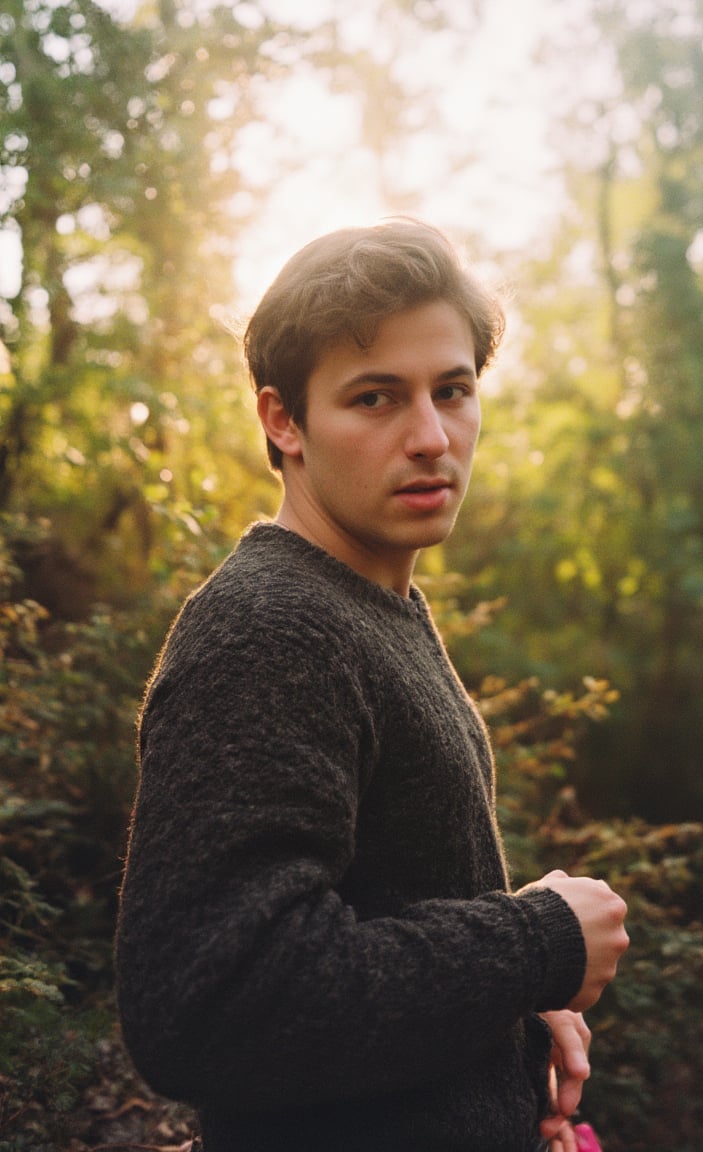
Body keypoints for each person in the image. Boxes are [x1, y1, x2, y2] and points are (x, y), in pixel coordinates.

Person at [115, 219, 628, 1152]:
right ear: (284, 421)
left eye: (453, 390)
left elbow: (381, 923)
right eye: (375, 398)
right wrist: (534, 944)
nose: (431, 437)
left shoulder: (367, 608)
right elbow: (211, 1007)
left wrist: (511, 1015)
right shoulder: (269, 629)